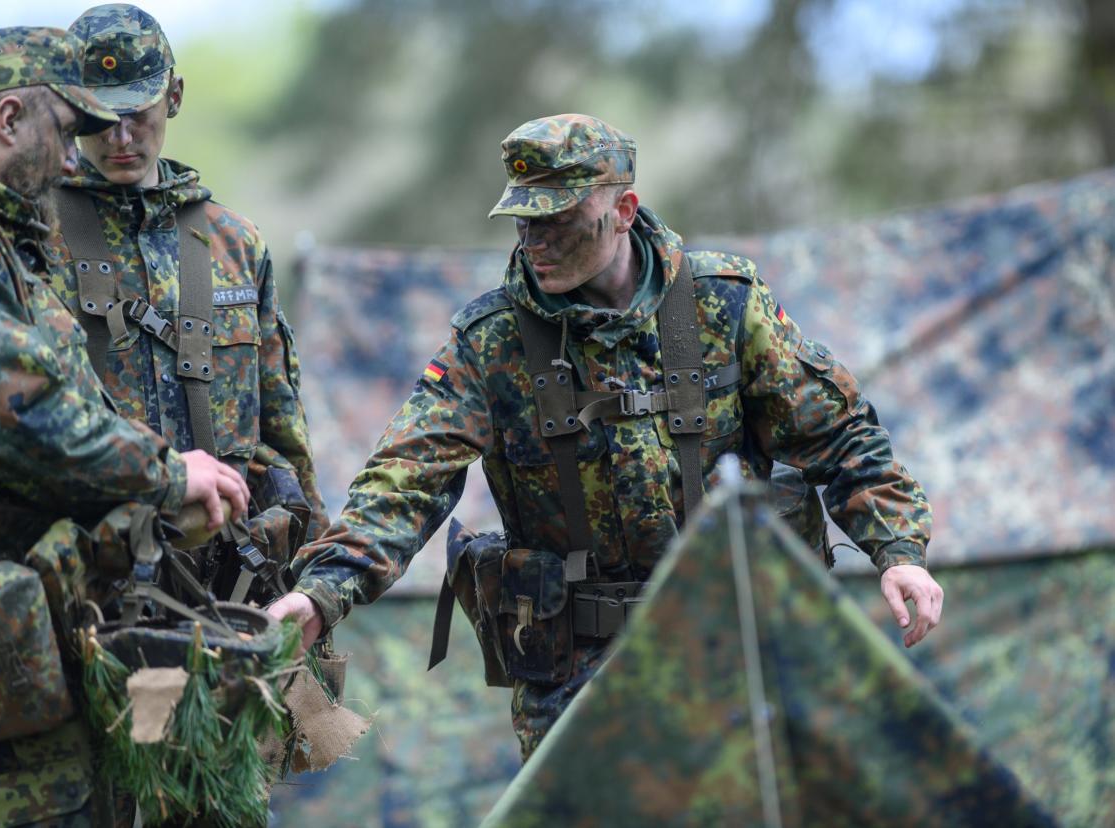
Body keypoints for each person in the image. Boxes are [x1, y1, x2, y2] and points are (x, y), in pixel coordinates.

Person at [269, 113, 945, 759]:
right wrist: (323, 589)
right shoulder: (492, 341)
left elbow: (840, 435)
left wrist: (898, 549)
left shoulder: (725, 304)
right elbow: (405, 479)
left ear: (622, 211)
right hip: (575, 680)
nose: (536, 242)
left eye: (559, 219)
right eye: (524, 222)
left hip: (738, 648)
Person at [0, 27, 247, 825]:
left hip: (26, 660)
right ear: (10, 118)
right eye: (66, 128)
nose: (79, 157)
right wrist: (167, 472)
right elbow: (8, 418)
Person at [44, 4, 328, 601]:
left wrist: (313, 572)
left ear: (173, 96)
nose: (121, 138)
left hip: (234, 582)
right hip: (93, 581)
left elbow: (281, 426)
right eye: (100, 118)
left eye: (138, 115)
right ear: (69, 110)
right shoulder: (34, 240)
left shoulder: (234, 242)